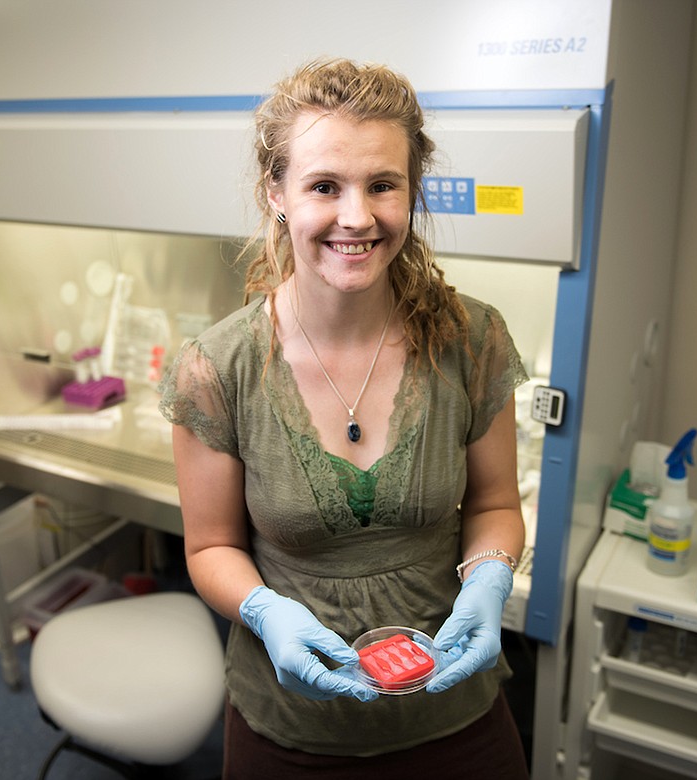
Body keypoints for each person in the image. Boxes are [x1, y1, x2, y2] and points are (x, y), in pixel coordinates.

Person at [159, 57, 530, 778]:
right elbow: (209, 551)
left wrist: (489, 577)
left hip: (454, 717)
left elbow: (494, 503)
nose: (356, 216)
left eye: (382, 185)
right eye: (325, 185)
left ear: (411, 190)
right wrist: (267, 612)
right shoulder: (218, 368)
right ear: (277, 192)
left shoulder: (471, 340)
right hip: (292, 731)